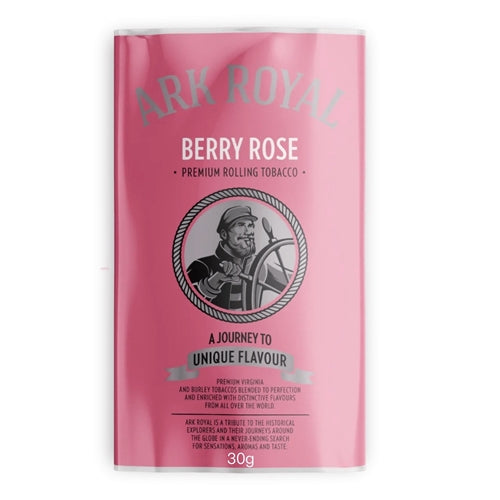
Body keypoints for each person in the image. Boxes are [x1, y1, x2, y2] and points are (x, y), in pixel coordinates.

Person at [187, 205, 288, 310]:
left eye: (250, 225)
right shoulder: (201, 266)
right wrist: (214, 281)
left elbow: (291, 285)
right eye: (241, 225)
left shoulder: (259, 266)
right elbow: (184, 304)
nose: (249, 231)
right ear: (224, 234)